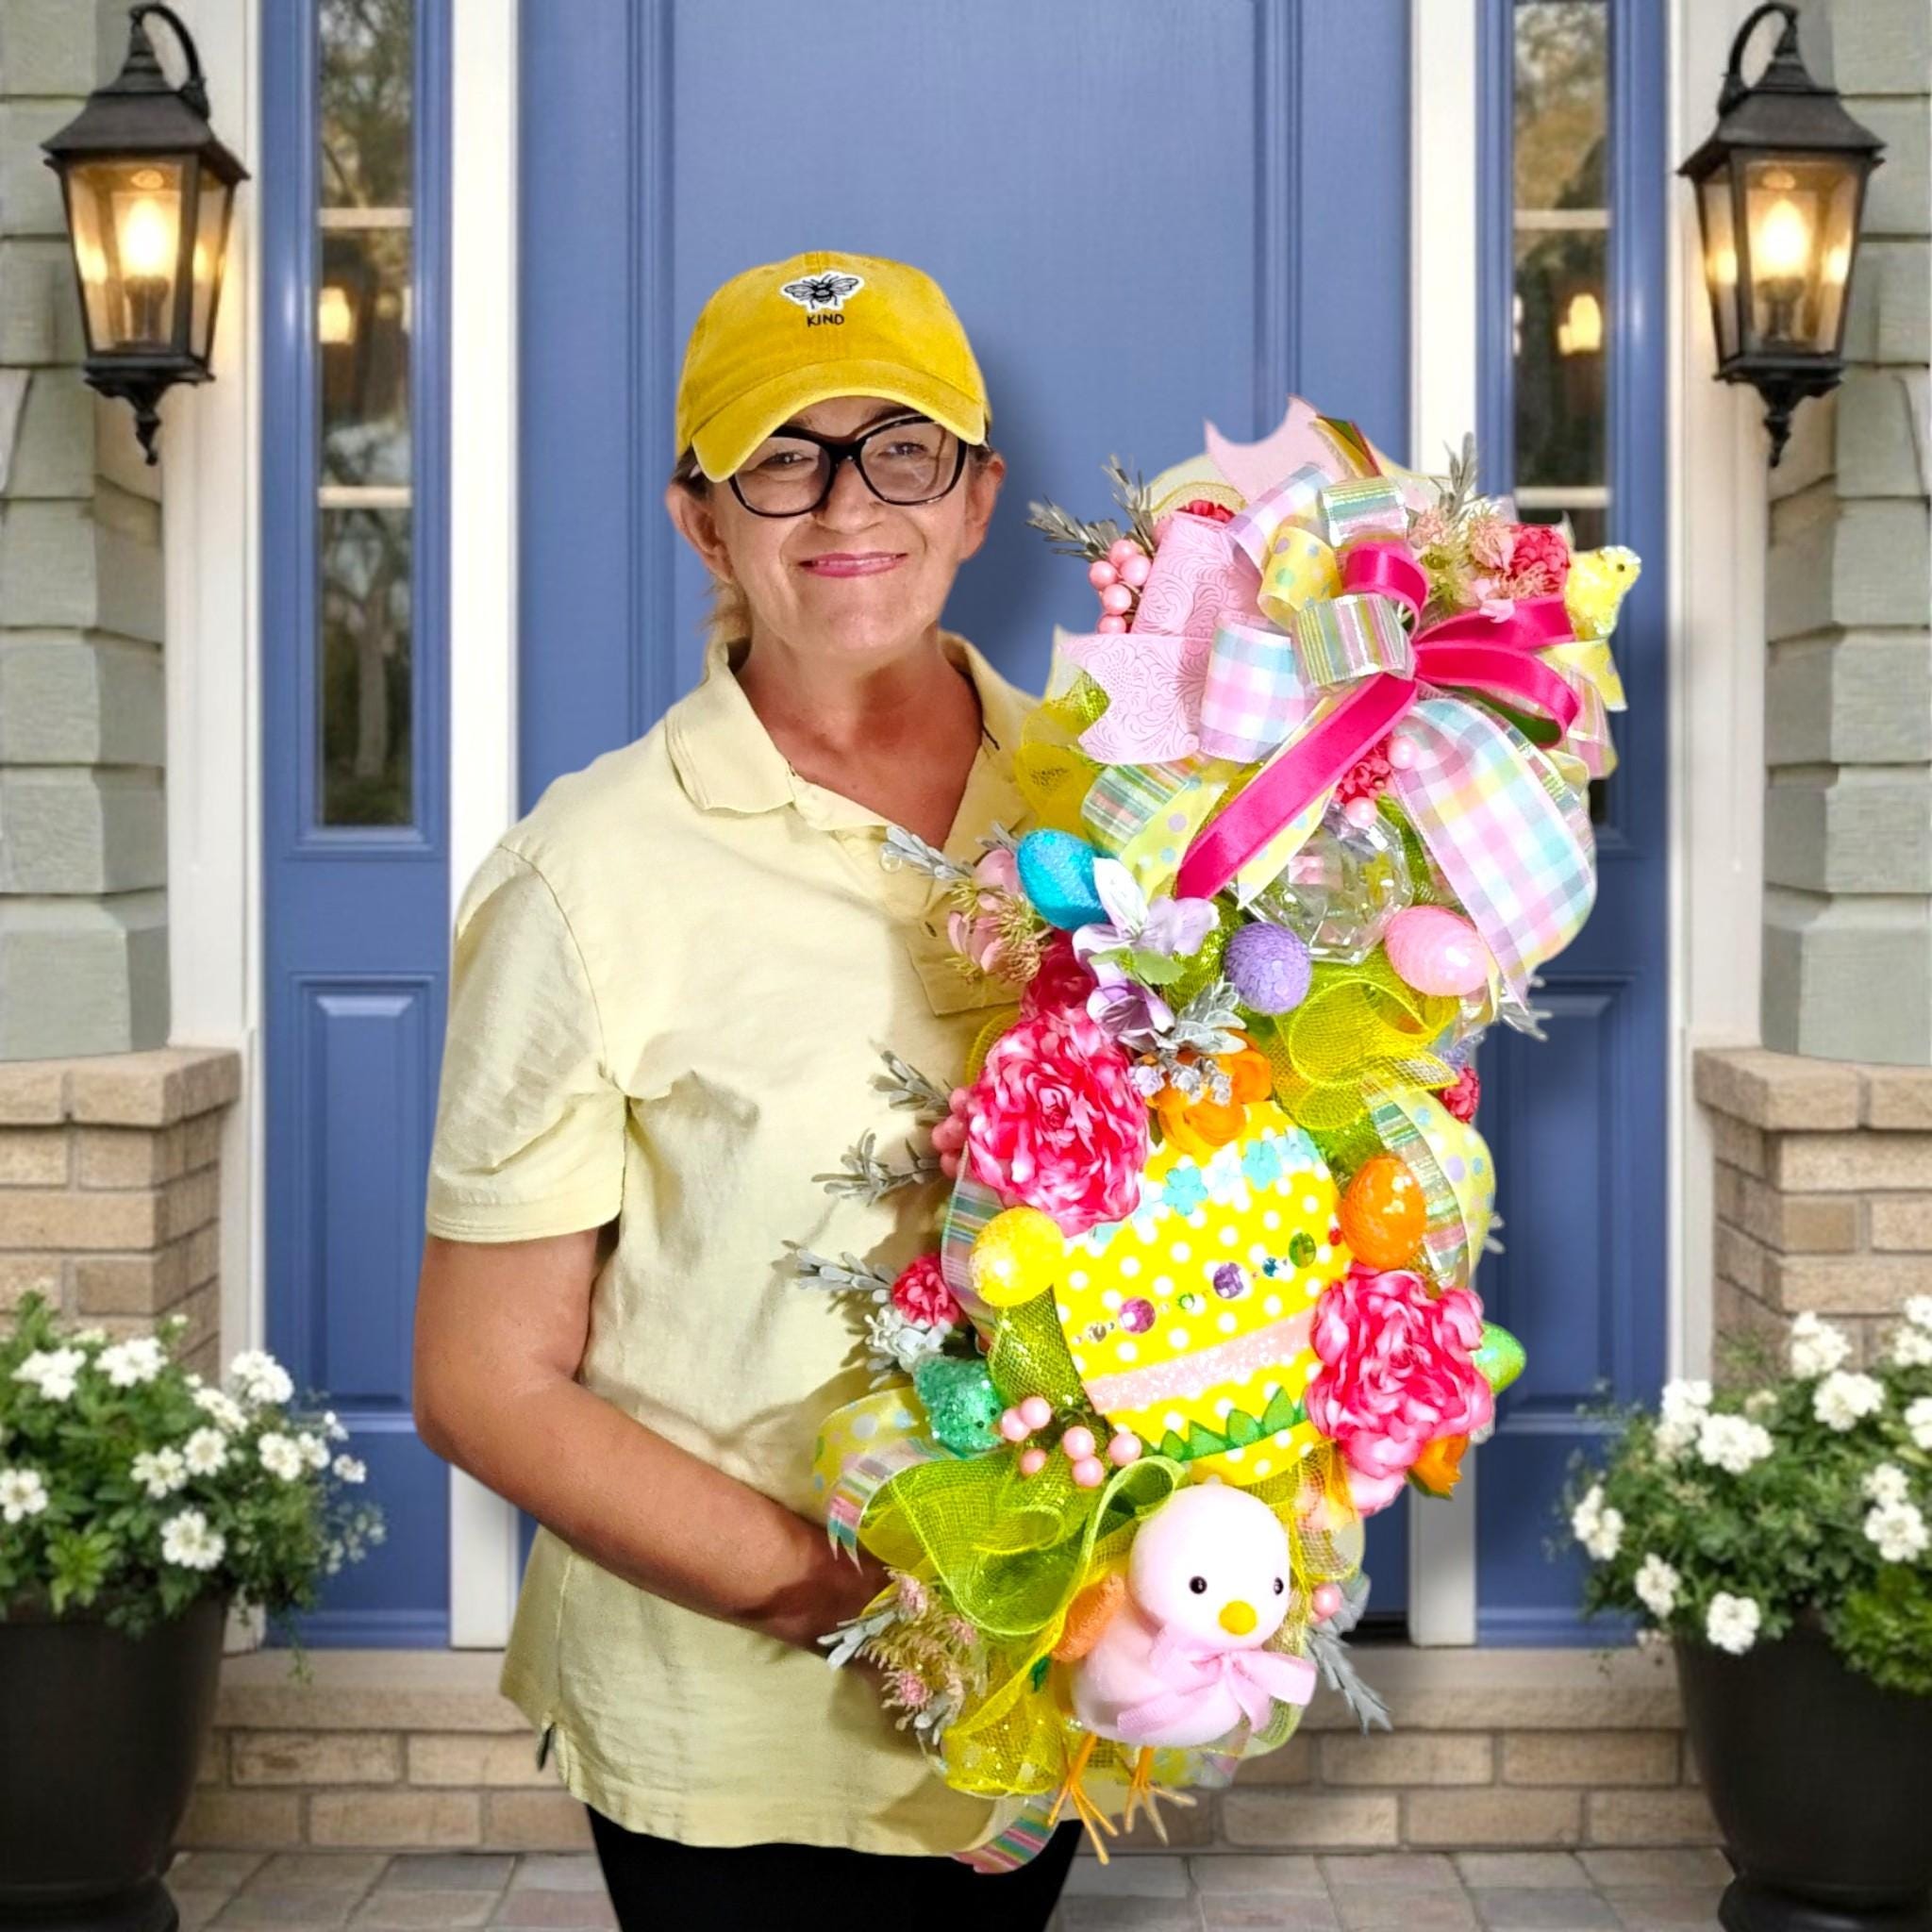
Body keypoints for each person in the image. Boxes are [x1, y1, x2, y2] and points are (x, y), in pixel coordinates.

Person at [411, 250, 1083, 1925]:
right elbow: (486, 1384)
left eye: (901, 448)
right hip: (728, 1722)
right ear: (703, 523)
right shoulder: (587, 875)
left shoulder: (1119, 807)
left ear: (976, 497)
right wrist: (852, 1609)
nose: (847, 503)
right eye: (783, 458)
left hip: (1045, 1682)